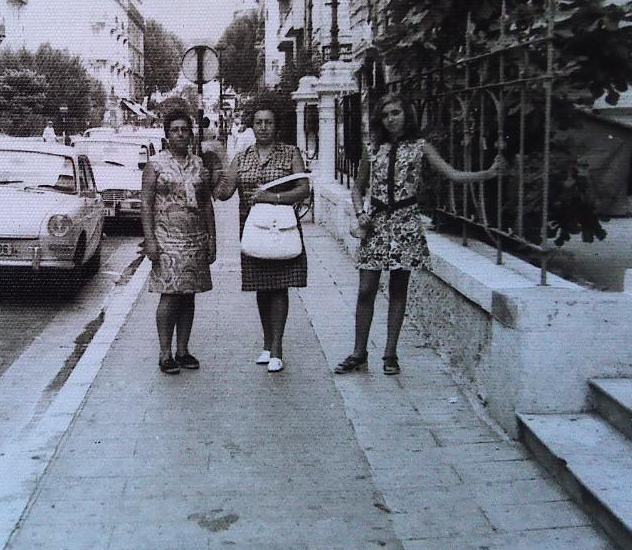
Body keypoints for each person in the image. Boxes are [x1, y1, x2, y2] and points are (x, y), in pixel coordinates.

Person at [335, 93, 506, 376]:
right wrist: (360, 212)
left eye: (396, 113)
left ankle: (390, 353)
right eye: (386, 114)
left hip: (404, 224)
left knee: (398, 289)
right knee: (366, 289)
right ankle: (359, 353)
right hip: (375, 224)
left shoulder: (419, 147)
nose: (391, 119)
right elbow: (357, 187)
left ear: (407, 115)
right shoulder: (372, 148)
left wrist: (487, 174)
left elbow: (452, 174)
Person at [212, 104, 309, 373]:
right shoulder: (242, 158)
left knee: (279, 287)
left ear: (276, 126)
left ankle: (277, 348)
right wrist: (212, 173)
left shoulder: (290, 154)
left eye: (268, 122)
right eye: (258, 122)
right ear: (252, 126)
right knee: (262, 288)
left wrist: (273, 197)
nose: (263, 127)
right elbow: (225, 192)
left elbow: (303, 189)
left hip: (281, 230)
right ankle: (267, 344)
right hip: (252, 232)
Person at [140, 104, 217, 374]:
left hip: (194, 238)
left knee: (188, 296)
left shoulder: (199, 164)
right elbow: (146, 203)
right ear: (166, 136)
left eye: (185, 130)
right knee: (170, 296)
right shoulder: (155, 164)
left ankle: (183, 350)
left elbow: (207, 203)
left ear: (192, 135)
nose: (181, 135)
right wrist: (150, 240)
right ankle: (165, 352)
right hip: (166, 239)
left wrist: (212, 238)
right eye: (175, 130)